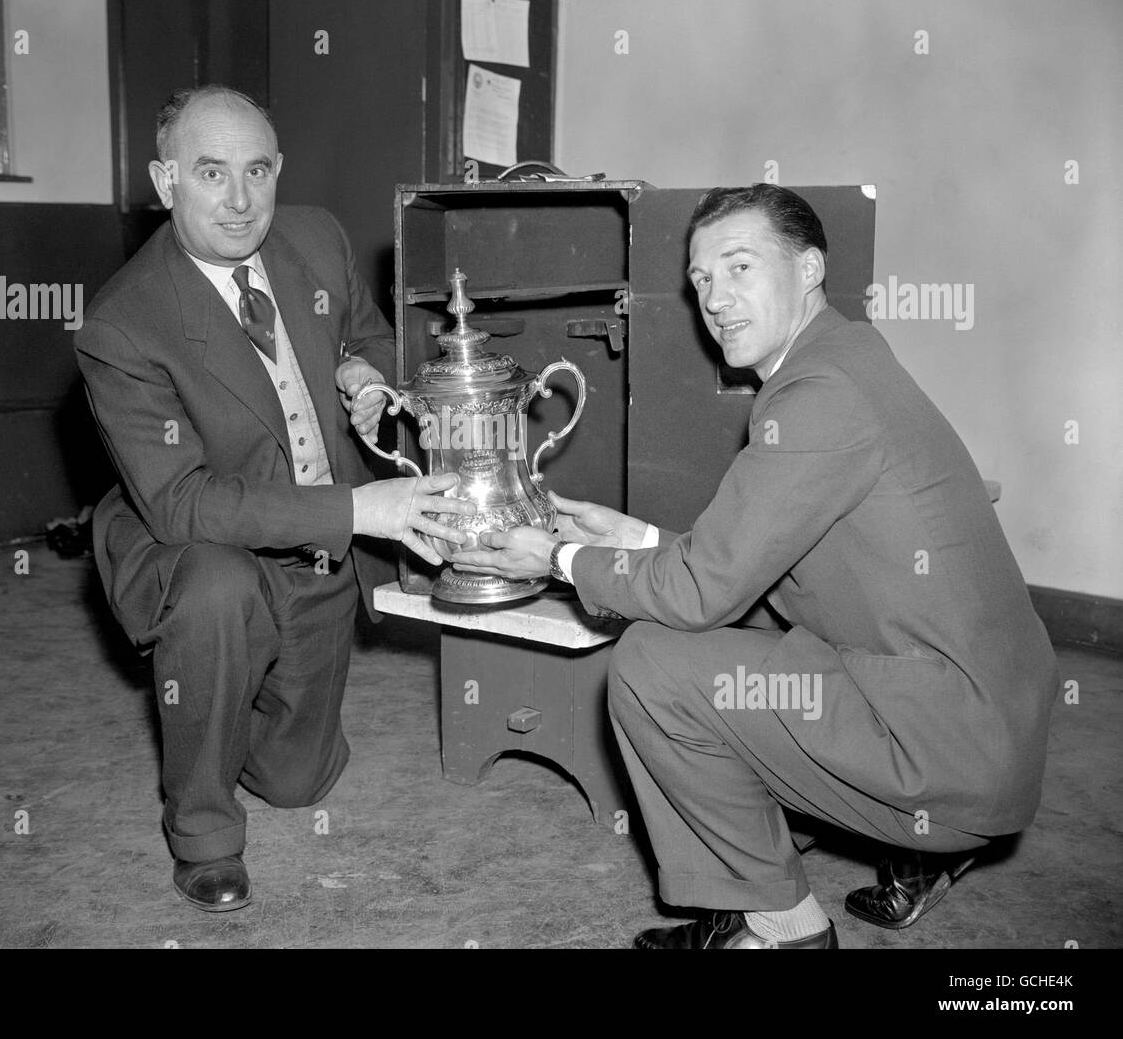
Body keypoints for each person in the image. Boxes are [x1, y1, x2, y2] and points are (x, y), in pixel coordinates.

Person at [454, 184, 1058, 949]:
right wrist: (639, 538)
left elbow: (707, 591)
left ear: (809, 268)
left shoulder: (816, 396)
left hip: (947, 750)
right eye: (702, 279)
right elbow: (766, 563)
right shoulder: (847, 357)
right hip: (977, 721)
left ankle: (779, 927)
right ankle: (787, 881)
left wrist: (558, 557)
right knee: (699, 651)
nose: (715, 298)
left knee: (651, 665)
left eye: (740, 267)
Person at [74, 85, 469, 912]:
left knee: (298, 783)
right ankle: (203, 824)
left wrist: (364, 371)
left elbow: (366, 332)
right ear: (165, 179)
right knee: (219, 591)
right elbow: (182, 502)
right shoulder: (122, 323)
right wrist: (365, 511)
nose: (241, 199)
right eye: (211, 173)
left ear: (278, 169)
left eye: (257, 170)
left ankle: (233, 698)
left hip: (314, 537)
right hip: (190, 536)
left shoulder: (315, 238)